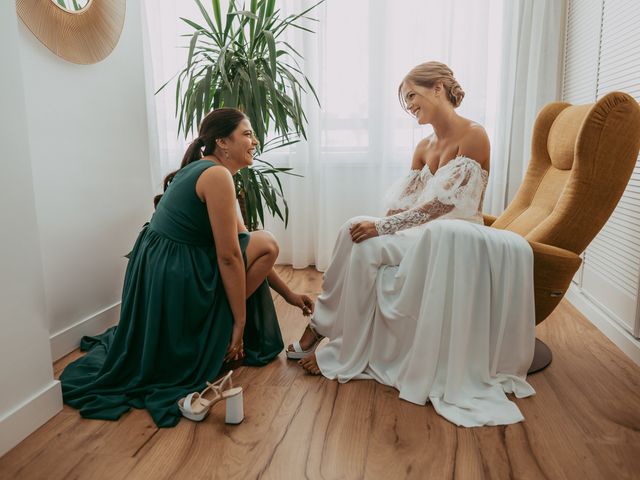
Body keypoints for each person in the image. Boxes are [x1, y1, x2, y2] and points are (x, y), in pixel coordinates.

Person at [60, 108, 314, 428]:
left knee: (258, 242)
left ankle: (217, 323)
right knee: (268, 242)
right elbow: (230, 257)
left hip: (163, 268)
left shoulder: (211, 170)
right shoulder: (216, 175)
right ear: (223, 142)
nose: (255, 140)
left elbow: (240, 245)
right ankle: (218, 326)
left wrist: (289, 294)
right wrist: (238, 322)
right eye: (247, 134)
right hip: (174, 272)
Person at [287, 61, 490, 373]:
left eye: (411, 96)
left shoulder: (474, 135)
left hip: (454, 235)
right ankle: (320, 327)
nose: (408, 106)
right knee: (352, 228)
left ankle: (344, 351)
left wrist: (382, 228)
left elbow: (442, 206)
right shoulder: (424, 146)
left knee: (368, 243)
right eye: (406, 100)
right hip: (423, 231)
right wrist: (374, 227)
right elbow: (405, 202)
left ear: (437, 88)